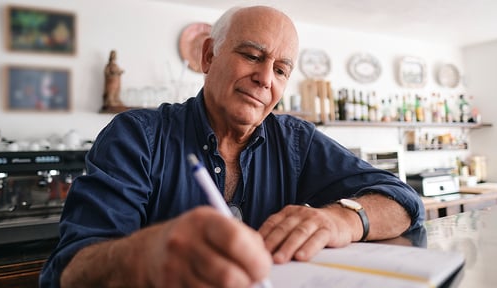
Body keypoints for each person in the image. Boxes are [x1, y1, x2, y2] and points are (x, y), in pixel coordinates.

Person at [40, 5, 424, 288]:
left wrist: (339, 219)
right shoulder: (137, 135)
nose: (263, 78)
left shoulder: (295, 140)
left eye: (280, 69)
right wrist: (145, 255)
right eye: (252, 56)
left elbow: (403, 200)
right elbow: (68, 271)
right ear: (209, 56)